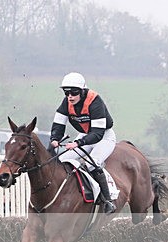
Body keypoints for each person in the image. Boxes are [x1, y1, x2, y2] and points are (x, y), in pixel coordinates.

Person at [49, 72, 117, 214]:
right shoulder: (66, 103)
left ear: (82, 91)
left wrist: (78, 143)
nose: (70, 96)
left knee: (92, 163)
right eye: (66, 92)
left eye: (74, 92)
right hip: (85, 136)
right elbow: (58, 126)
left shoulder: (95, 101)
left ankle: (108, 201)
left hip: (104, 136)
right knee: (62, 160)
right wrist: (54, 139)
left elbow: (97, 133)